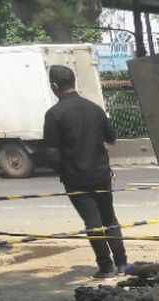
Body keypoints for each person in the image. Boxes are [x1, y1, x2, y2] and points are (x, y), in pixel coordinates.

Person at [42, 65, 130, 280]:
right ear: (74, 82)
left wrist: (62, 170)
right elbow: (112, 138)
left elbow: (52, 152)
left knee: (92, 223)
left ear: (55, 86)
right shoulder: (94, 108)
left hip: (76, 178)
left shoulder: (54, 114)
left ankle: (106, 267)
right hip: (101, 174)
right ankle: (123, 264)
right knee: (109, 217)